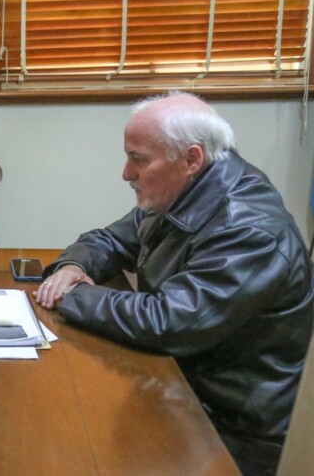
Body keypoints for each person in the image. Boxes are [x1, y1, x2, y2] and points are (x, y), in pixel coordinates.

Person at [33, 91, 314, 476]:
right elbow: (111, 240)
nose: (126, 173)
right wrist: (72, 265)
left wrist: (72, 294)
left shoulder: (248, 230)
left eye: (138, 159)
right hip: (179, 385)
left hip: (233, 429)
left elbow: (167, 321)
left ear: (191, 158)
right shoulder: (188, 189)